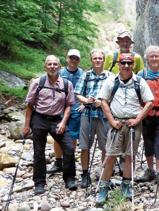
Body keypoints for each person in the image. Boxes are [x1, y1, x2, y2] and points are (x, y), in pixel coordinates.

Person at [96, 53, 154, 204]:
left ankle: (126, 185)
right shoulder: (111, 81)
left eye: (129, 63)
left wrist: (138, 119)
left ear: (133, 64)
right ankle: (103, 187)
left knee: (129, 156)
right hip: (117, 123)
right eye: (123, 63)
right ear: (118, 65)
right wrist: (111, 121)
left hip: (133, 124)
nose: (126, 66)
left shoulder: (139, 82)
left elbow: (149, 102)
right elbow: (103, 101)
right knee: (110, 156)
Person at [23, 55, 77, 194]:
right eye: (50, 64)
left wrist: (64, 122)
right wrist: (26, 125)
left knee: (69, 148)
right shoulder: (37, 82)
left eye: (55, 64)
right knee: (39, 152)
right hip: (39, 118)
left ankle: (69, 178)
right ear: (45, 66)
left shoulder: (66, 84)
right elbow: (29, 105)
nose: (52, 66)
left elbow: (69, 106)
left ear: (60, 66)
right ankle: (39, 183)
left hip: (57, 119)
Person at [74, 49, 111, 188]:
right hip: (87, 115)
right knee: (84, 146)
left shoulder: (110, 76)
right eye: (95, 58)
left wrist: (101, 103)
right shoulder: (86, 75)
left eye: (100, 58)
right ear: (91, 60)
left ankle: (104, 175)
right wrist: (87, 101)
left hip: (103, 115)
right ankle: (85, 174)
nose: (97, 60)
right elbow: (78, 93)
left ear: (103, 59)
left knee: (105, 147)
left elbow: (112, 95)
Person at [135, 45, 159, 185]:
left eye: (157, 56)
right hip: (146, 114)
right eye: (152, 56)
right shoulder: (141, 75)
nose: (154, 58)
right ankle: (150, 170)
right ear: (147, 59)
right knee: (148, 141)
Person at [47, 49, 84, 174]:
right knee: (57, 136)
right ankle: (58, 162)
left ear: (79, 60)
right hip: (59, 109)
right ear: (67, 58)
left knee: (72, 137)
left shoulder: (83, 74)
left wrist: (84, 104)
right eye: (71, 58)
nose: (73, 60)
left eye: (76, 58)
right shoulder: (60, 72)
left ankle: (69, 160)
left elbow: (86, 90)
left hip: (75, 110)